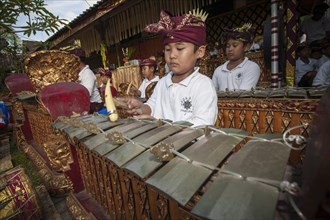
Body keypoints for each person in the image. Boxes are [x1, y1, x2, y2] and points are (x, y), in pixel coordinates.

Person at [120, 10, 218, 126]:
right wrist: (141, 108)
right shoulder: (162, 83)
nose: (172, 55)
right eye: (167, 49)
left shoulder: (203, 85)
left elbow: (202, 126)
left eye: (180, 49)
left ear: (200, 52)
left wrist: (160, 124)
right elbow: (152, 106)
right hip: (162, 141)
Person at [212, 23, 261, 91]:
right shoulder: (218, 70)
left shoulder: (251, 67)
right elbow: (212, 93)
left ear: (246, 47)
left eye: (235, 45)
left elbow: (243, 94)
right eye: (228, 46)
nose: (230, 49)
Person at [74, 49, 103, 113]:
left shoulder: (88, 73)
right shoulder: (79, 74)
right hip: (87, 105)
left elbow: (86, 94)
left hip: (95, 107)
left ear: (77, 59)